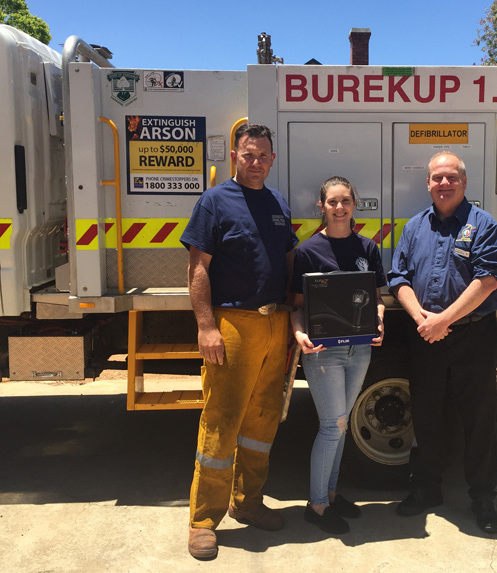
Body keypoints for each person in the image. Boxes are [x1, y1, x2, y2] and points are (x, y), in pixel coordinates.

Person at [180, 124, 299, 560]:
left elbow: (288, 256)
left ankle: (247, 503)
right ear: (235, 155)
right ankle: (202, 521)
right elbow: (198, 267)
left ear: (272, 158)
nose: (256, 162)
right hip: (233, 324)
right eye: (248, 155)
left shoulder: (277, 202)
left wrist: (293, 311)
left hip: (275, 323)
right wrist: (206, 326)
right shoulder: (214, 201)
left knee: (263, 420)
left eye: (263, 155)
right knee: (222, 419)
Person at [387, 151, 497, 534]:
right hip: (425, 334)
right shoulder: (413, 228)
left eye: (451, 177)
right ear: (427, 183)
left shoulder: (484, 225)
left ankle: (482, 496)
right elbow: (398, 278)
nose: (444, 183)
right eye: (437, 178)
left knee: (478, 417)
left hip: (472, 336)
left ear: (463, 182)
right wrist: (422, 318)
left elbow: (487, 280)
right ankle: (427, 488)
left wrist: (444, 319)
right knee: (426, 414)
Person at [290, 176, 385, 534]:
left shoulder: (367, 249)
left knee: (342, 426)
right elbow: (297, 307)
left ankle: (330, 494)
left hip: (359, 349)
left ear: (354, 204)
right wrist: (299, 333)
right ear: (322, 206)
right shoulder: (308, 251)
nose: (339, 207)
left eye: (345, 200)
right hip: (323, 353)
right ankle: (316, 506)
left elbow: (376, 300)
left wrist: (379, 322)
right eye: (332, 202)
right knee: (333, 426)